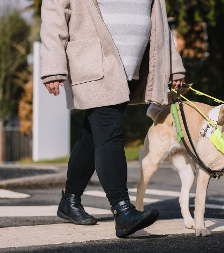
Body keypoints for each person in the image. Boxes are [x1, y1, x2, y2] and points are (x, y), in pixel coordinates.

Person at [40, 0, 185, 238]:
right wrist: (53, 67)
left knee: (92, 136)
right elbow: (54, 14)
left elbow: (160, 21)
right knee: (109, 130)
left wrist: (173, 66)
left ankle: (69, 199)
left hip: (131, 66)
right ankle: (122, 210)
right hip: (93, 60)